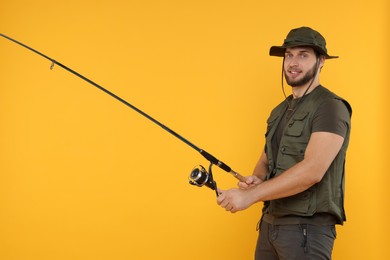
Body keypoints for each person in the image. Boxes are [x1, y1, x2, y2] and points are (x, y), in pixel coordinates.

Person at [216, 26, 352, 260]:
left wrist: (250, 196)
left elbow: (313, 171)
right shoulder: (279, 111)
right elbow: (266, 161)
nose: (293, 62)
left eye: (303, 55)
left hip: (306, 230)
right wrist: (255, 180)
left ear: (321, 61)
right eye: (289, 55)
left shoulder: (330, 106)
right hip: (270, 225)